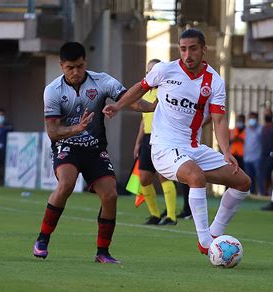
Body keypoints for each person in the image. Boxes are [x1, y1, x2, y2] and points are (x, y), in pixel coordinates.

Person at [103, 28, 251, 255]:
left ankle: (215, 231)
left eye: (193, 49)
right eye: (183, 49)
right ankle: (205, 242)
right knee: (196, 177)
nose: (187, 54)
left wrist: (226, 151)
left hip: (193, 148)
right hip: (163, 147)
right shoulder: (164, 70)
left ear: (204, 49)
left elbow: (219, 120)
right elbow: (139, 89)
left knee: (242, 182)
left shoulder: (214, 81)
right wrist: (118, 105)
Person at [32, 42, 154, 264]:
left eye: (79, 66)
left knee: (111, 195)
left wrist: (154, 106)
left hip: (95, 149)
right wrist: (75, 129)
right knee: (66, 184)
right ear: (61, 66)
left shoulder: (102, 81)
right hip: (66, 146)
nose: (76, 72)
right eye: (70, 67)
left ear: (85, 62)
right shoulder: (53, 91)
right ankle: (43, 239)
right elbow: (52, 132)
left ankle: (102, 252)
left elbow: (131, 101)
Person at [133, 59, 178, 225]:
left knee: (164, 177)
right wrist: (138, 142)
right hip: (146, 139)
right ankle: (155, 214)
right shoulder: (144, 92)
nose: (150, 74)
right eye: (148, 71)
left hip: (163, 138)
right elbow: (144, 121)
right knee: (144, 178)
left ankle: (171, 216)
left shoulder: (167, 91)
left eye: (154, 71)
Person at [260, 108, 273, 195]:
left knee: (271, 174)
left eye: (268, 114)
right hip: (264, 153)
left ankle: (272, 192)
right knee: (264, 174)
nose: (266, 115)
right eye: (265, 114)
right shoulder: (263, 127)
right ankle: (264, 193)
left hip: (272, 153)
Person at [243, 111, 264, 195]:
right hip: (247, 157)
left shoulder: (260, 129)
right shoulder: (246, 129)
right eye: (250, 118)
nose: (252, 120)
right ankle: (252, 193)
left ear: (257, 119)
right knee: (249, 177)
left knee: (259, 176)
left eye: (254, 118)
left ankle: (261, 193)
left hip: (257, 156)